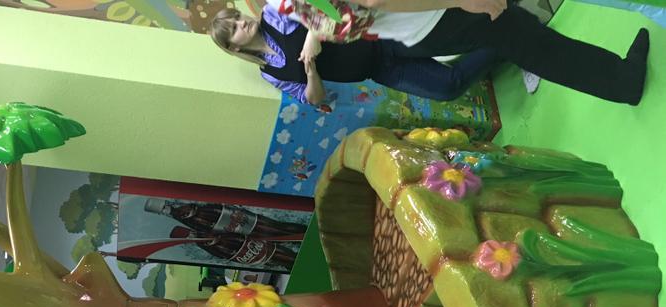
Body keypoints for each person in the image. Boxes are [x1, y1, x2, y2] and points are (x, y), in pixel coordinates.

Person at [267, 0, 651, 105]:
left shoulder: (274, 3)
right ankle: (623, 80)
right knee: (531, 43)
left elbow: (332, 20)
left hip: (419, 26)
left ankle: (621, 79)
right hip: (434, 15)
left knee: (528, 40)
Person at [209, 6, 502, 103]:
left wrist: (313, 36)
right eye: (234, 28)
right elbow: (314, 98)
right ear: (234, 47)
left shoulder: (273, 14)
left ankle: (503, 20)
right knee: (447, 87)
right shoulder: (270, 74)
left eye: (237, 17)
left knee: (455, 40)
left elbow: (322, 7)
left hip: (380, 37)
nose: (242, 22)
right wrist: (311, 73)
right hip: (379, 71)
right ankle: (505, 43)